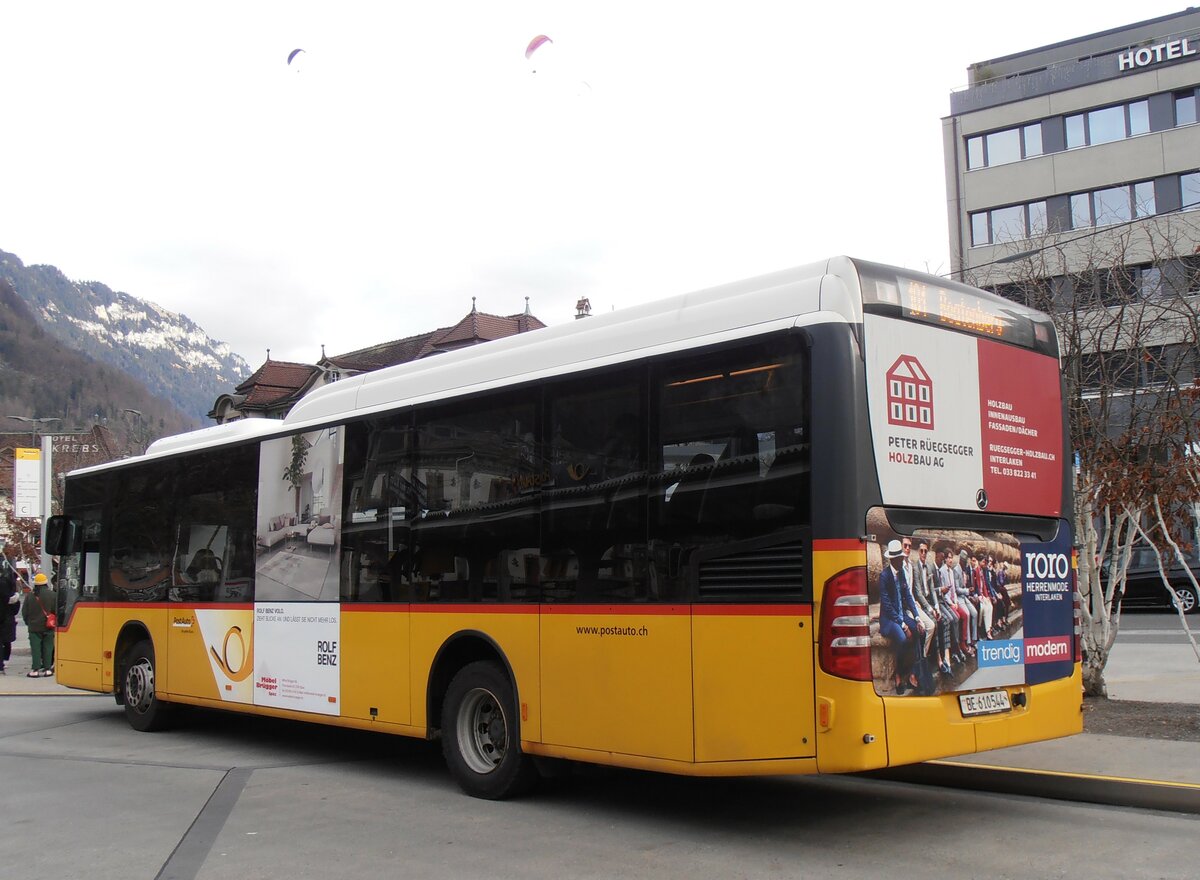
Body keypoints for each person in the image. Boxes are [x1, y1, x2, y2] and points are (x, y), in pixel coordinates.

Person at [878, 539, 922, 694]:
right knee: (903, 639)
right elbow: (887, 606)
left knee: (918, 631)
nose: (902, 560)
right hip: (889, 619)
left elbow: (908, 596)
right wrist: (903, 625)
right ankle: (898, 673)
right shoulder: (884, 576)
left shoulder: (902, 572)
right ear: (893, 559)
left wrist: (917, 617)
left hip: (901, 614)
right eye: (899, 558)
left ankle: (912, 672)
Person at [21, 571, 56, 678]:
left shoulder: (30, 596)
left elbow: (24, 612)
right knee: (48, 647)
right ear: (46, 583)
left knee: (35, 648)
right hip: (48, 626)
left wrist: (29, 623)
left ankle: (35, 670)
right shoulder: (52, 595)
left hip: (34, 627)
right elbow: (56, 610)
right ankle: (47, 669)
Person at [0, 547, 18, 674]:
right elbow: (14, 606)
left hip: (5, 618)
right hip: (6, 619)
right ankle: (2, 662)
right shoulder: (8, 589)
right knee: (5, 642)